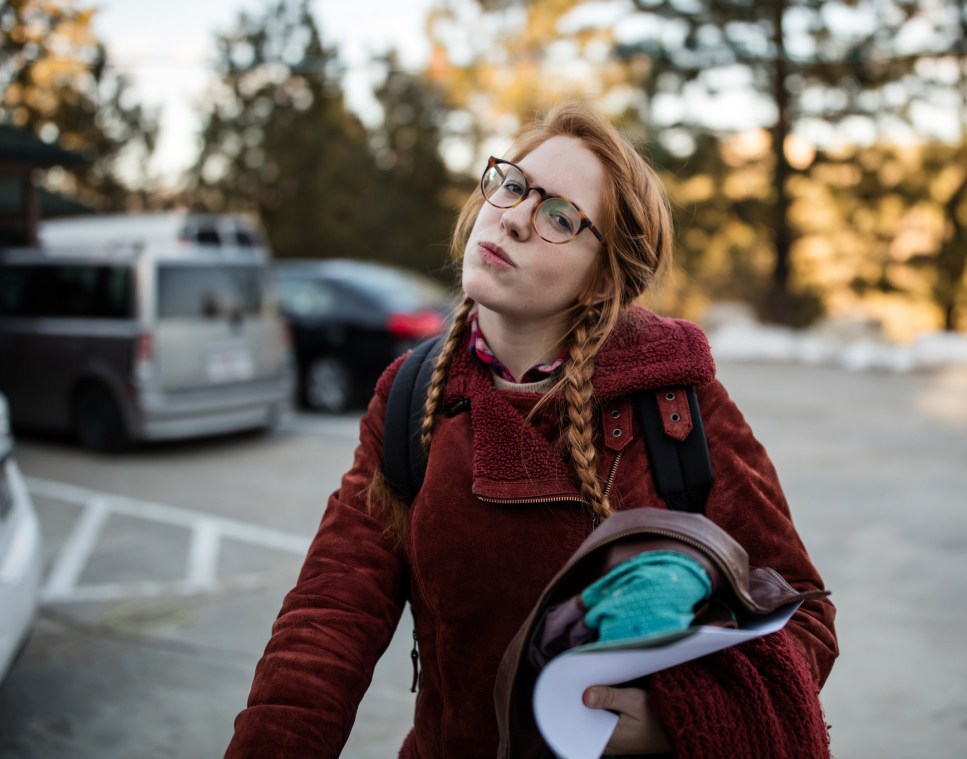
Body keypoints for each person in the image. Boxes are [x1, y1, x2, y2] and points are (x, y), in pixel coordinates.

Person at [226, 102, 838, 758]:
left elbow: (805, 618)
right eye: (514, 185)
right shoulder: (410, 400)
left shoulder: (677, 401)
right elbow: (324, 626)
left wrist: (672, 718)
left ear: (601, 282)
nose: (514, 217)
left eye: (559, 217)